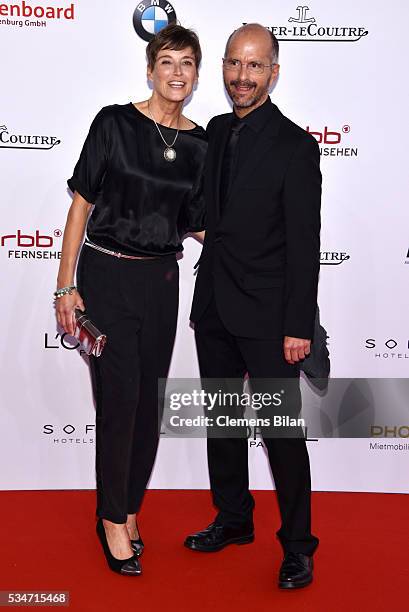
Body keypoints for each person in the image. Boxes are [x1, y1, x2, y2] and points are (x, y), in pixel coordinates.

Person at [55, 24, 207, 576]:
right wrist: (66, 284)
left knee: (148, 407)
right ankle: (111, 519)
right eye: (167, 62)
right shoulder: (113, 122)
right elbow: (81, 206)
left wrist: (258, 251)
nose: (176, 73)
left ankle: (131, 507)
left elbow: (196, 224)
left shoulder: (200, 145)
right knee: (118, 402)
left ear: (195, 75)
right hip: (107, 275)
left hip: (161, 284)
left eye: (187, 63)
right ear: (150, 69)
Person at [184, 23, 321, 590]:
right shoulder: (214, 131)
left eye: (255, 66)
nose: (241, 77)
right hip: (213, 303)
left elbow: (304, 244)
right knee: (223, 421)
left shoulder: (296, 145)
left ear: (274, 71)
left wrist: (298, 325)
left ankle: (297, 546)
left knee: (282, 434)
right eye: (233, 65)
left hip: (268, 318)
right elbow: (198, 206)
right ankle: (234, 519)